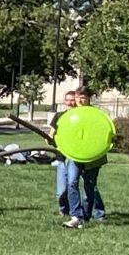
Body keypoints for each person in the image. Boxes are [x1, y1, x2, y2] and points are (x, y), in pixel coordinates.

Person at [61, 87, 107, 229]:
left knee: (89, 186)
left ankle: (86, 216)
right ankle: (76, 216)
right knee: (72, 182)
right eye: (77, 97)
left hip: (93, 156)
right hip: (74, 154)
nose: (79, 100)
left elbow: (103, 133)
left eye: (83, 97)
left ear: (88, 99)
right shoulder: (70, 115)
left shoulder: (96, 115)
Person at [49, 90, 78, 217]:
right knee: (62, 190)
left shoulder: (80, 117)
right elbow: (51, 133)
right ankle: (63, 210)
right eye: (68, 100)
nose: (70, 103)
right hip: (62, 156)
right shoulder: (59, 116)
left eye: (72, 100)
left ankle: (79, 211)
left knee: (76, 185)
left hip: (77, 156)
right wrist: (49, 139)